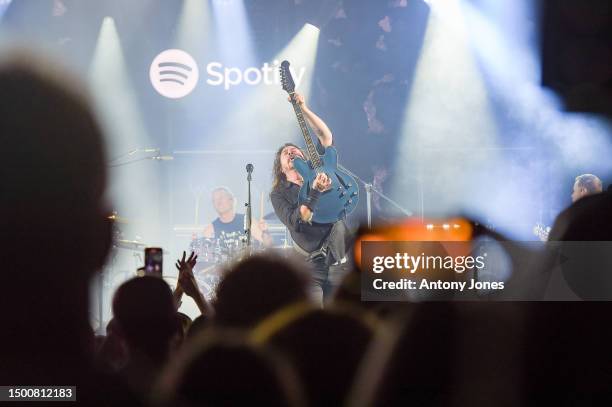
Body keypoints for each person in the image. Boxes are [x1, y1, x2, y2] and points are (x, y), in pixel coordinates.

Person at [270, 93, 350, 305]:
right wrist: (314, 192)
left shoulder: (319, 170)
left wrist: (303, 108)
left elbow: (326, 136)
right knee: (314, 322)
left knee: (344, 320)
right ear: (281, 168)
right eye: (286, 153)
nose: (291, 152)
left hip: (340, 259)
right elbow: (297, 221)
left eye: (294, 149)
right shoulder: (279, 193)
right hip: (308, 267)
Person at [203, 186, 273, 247]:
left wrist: (265, 231)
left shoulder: (247, 221)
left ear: (231, 200)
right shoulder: (210, 230)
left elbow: (268, 244)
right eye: (214, 200)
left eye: (221, 197)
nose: (218, 201)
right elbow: (208, 256)